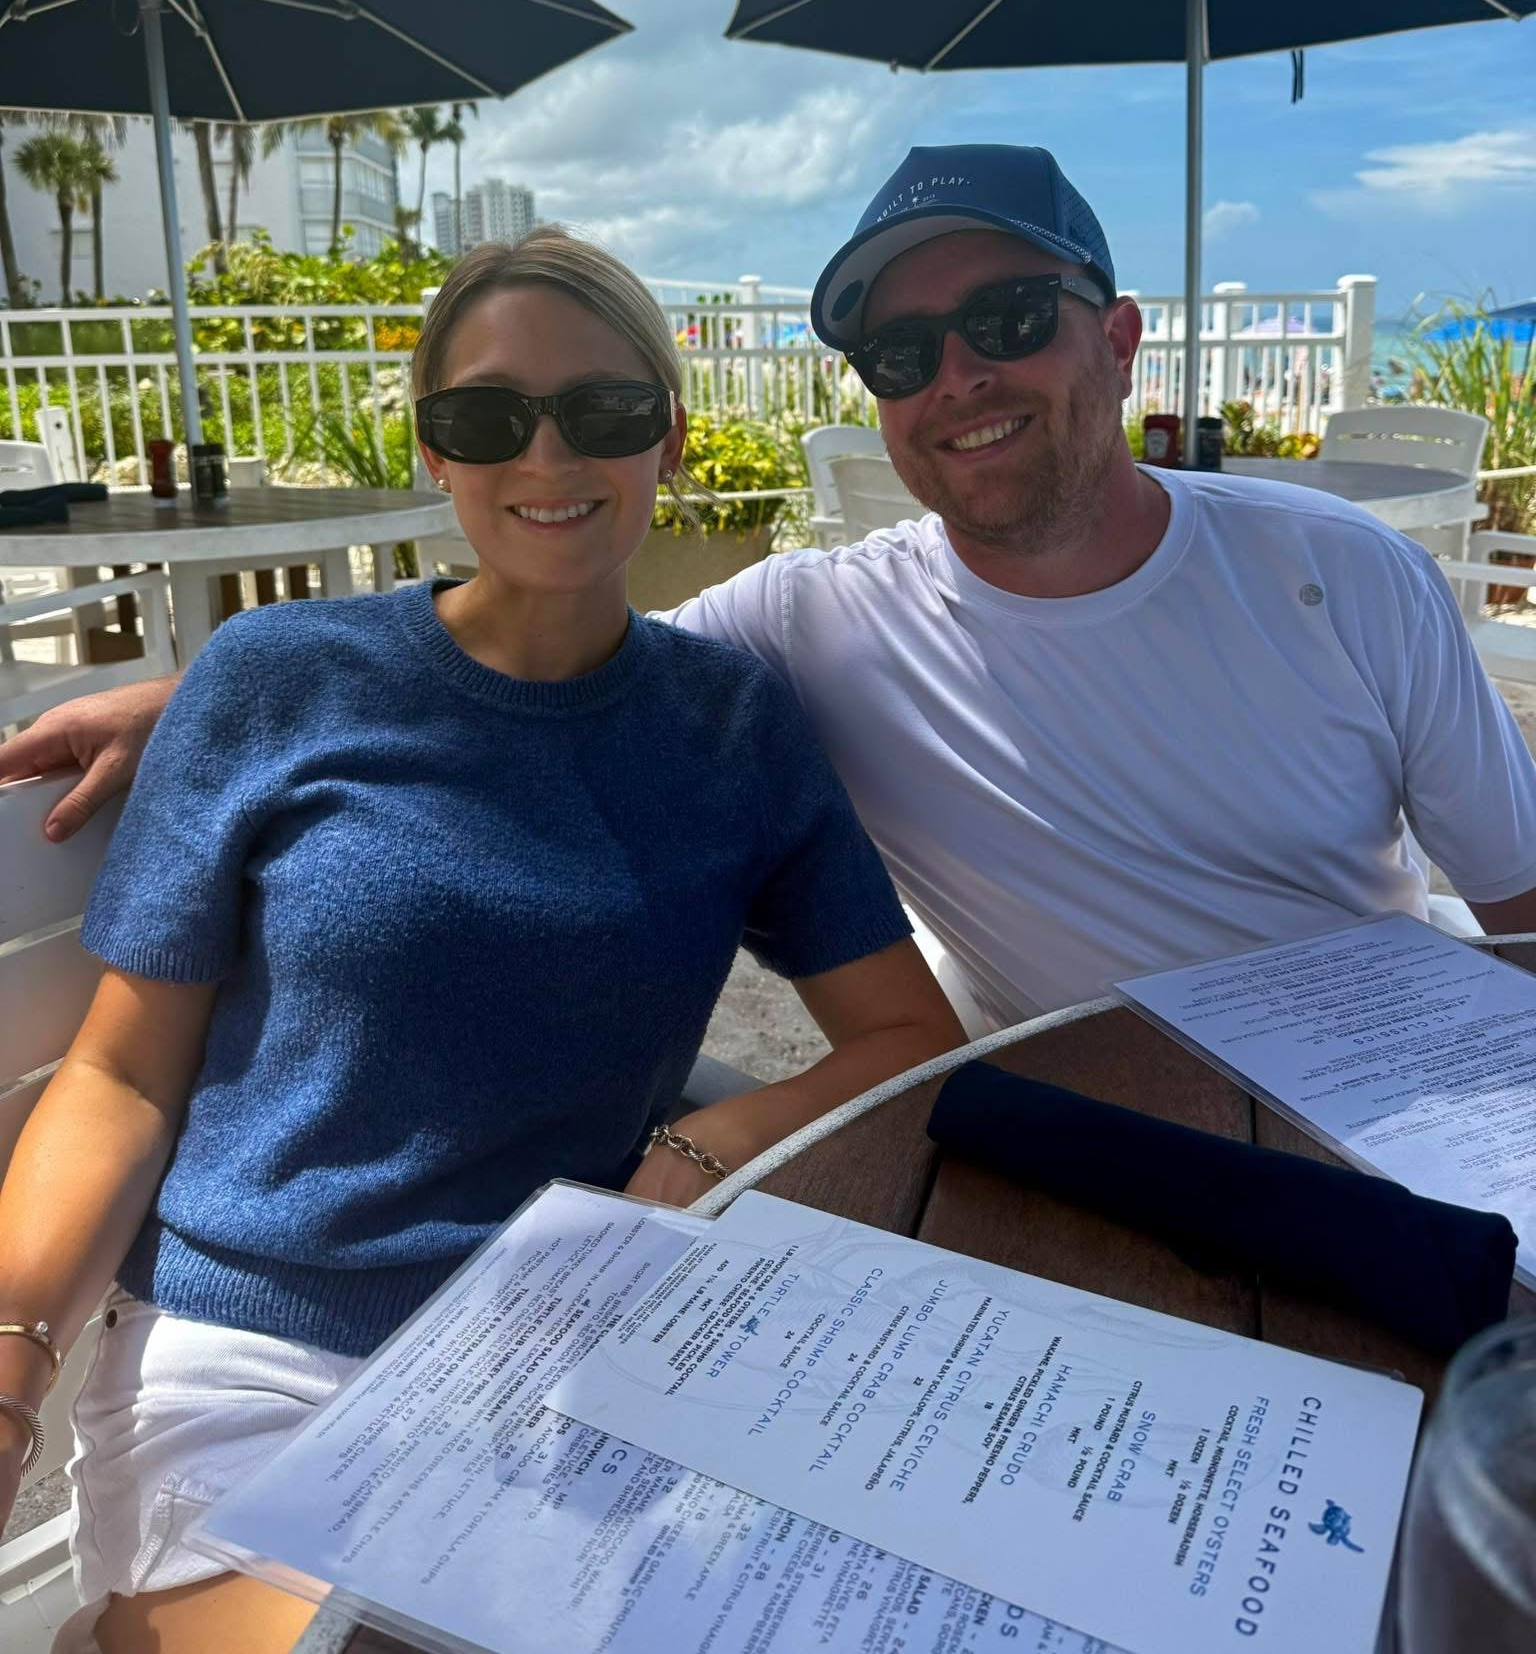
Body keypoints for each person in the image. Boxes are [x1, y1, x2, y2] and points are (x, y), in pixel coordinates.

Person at [0, 230, 962, 1653]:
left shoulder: (732, 727)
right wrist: (11, 1367)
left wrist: (693, 1157)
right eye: (487, 418)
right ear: (436, 453)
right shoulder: (276, 682)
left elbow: (906, 1040)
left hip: (575, 1347)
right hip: (260, 1351)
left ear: (672, 442)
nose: (547, 457)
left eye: (606, 412)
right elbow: (125, 1076)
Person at [8, 142, 1536, 1028]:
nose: (958, 378)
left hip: (1393, 1092)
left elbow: (1520, 917)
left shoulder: (1346, 579)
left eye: (1009, 316)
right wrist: (202, 699)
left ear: (1119, 338)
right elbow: (532, 646)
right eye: (900, 350)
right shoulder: (816, 621)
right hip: (1092, 1138)